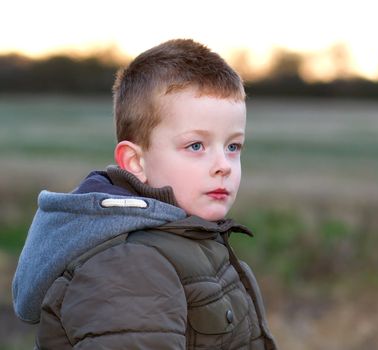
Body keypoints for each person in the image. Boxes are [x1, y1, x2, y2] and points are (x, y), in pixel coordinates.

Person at [12, 38, 278, 350]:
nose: (224, 166)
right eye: (196, 146)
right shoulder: (127, 267)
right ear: (136, 162)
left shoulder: (185, 237)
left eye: (233, 146)